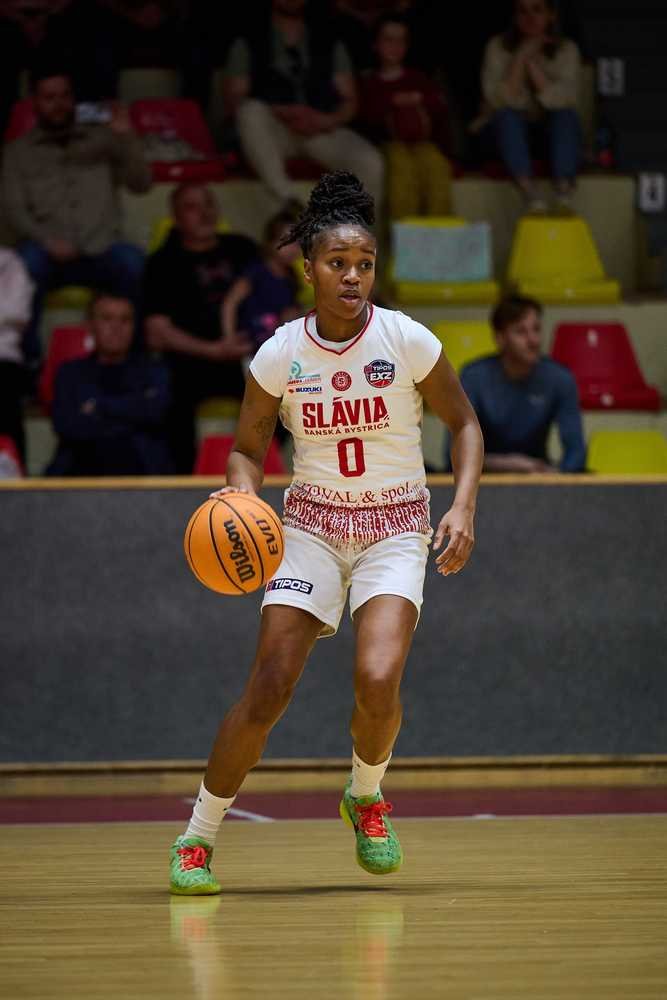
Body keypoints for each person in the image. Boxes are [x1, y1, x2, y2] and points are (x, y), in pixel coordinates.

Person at [168, 171, 484, 894]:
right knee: (269, 687)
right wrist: (241, 494)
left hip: (394, 527)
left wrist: (462, 506)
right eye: (337, 263)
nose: (352, 276)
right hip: (309, 527)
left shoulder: (406, 339)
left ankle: (364, 796)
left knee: (377, 679)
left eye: (364, 264)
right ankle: (197, 837)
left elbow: (464, 424)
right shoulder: (280, 353)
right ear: (307, 268)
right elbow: (247, 449)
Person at [2, 66, 151, 366]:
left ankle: (136, 360)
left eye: (64, 96)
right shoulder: (17, 152)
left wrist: (127, 137)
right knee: (24, 265)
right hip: (46, 251)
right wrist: (46, 241)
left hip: (101, 248)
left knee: (133, 262)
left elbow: (141, 183)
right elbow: (13, 210)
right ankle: (26, 364)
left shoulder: (105, 139)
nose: (58, 104)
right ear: (35, 102)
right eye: (49, 97)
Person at [223, 0, 384, 211]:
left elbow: (350, 100)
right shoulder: (249, 39)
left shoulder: (329, 38)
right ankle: (291, 204)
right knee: (249, 111)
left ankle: (353, 230)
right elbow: (234, 99)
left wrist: (325, 120)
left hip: (319, 128)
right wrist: (279, 111)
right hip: (274, 130)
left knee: (370, 161)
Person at [144, 181, 258, 473]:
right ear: (176, 217)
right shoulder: (162, 263)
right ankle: (182, 484)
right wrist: (214, 350)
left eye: (208, 204)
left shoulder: (243, 249)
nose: (204, 213)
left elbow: (275, 292)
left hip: (250, 355)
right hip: (191, 361)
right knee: (168, 405)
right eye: (192, 207)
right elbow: (157, 332)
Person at [47, 291, 172, 476]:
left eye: (125, 320)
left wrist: (98, 406)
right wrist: (132, 411)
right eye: (107, 319)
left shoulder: (154, 372)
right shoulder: (69, 373)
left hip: (142, 475)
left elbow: (154, 413)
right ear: (90, 325)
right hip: (78, 475)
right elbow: (67, 426)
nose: (116, 327)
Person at [456, 295, 586, 473]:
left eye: (536, 329)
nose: (533, 340)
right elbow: (456, 453)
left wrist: (555, 476)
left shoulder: (559, 378)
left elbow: (576, 454)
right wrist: (512, 465)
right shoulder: (474, 378)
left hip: (539, 478)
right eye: (521, 331)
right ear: (500, 338)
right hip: (482, 478)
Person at [477, 0, 582, 214]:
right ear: (515, 17)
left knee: (565, 116)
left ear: (551, 15)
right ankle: (531, 195)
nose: (530, 18)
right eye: (522, 11)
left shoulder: (567, 49)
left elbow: (563, 99)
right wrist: (520, 56)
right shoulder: (497, 47)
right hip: (503, 134)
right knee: (507, 117)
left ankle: (564, 195)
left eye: (537, 9)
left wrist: (532, 64)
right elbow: (500, 101)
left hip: (548, 134)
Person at [359, 15, 452, 218]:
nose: (395, 46)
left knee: (437, 166)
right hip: (389, 145)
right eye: (388, 40)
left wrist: (419, 99)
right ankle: (403, 233)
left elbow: (439, 108)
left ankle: (439, 231)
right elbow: (366, 116)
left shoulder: (418, 79)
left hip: (422, 143)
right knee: (401, 170)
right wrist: (393, 102)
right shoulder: (370, 81)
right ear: (375, 45)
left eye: (401, 41)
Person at [221, 211, 301, 359]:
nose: (292, 248)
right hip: (249, 350)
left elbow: (288, 314)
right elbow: (230, 303)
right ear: (270, 242)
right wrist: (229, 338)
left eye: (297, 243)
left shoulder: (291, 277)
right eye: (285, 241)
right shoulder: (256, 272)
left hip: (275, 351)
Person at [0, 247, 33, 465]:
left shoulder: (10, 263)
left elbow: (18, 313)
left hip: (4, 359)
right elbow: (8, 313)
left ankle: (13, 471)